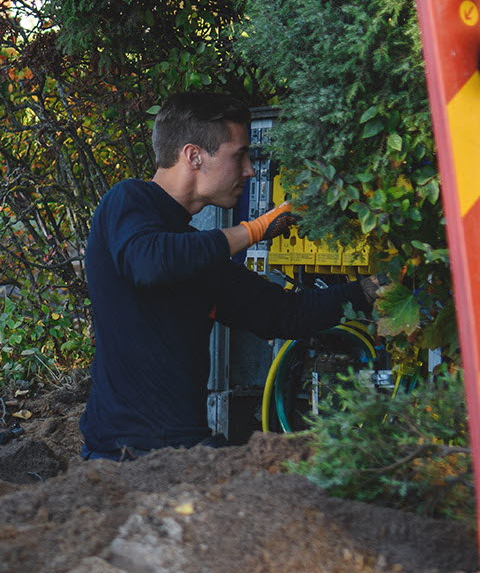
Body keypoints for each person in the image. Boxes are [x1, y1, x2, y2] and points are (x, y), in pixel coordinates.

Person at [79, 92, 369, 460]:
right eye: (239, 155)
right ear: (193, 156)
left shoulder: (197, 252)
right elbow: (148, 263)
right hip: (120, 456)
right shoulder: (128, 201)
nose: (249, 169)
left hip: (185, 449)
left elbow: (285, 313)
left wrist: (369, 291)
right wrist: (254, 231)